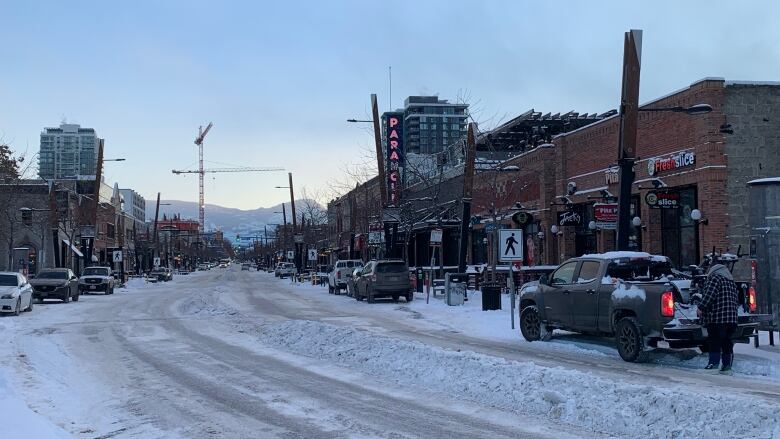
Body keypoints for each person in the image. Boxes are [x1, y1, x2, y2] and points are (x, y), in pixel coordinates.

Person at [697, 264, 739, 374]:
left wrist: (701, 307)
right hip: (732, 318)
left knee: (714, 340)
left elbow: (709, 295)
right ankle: (726, 367)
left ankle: (713, 364)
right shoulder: (730, 281)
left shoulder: (716, 278)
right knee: (726, 342)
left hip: (718, 318)